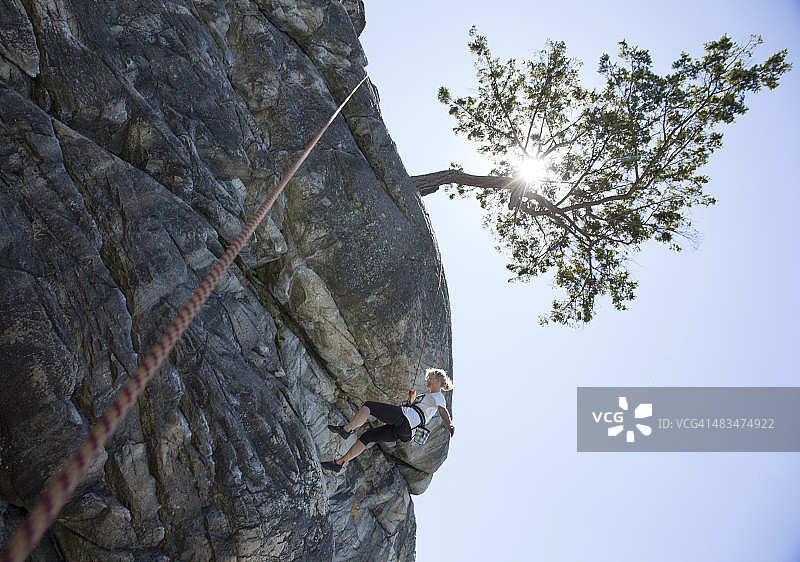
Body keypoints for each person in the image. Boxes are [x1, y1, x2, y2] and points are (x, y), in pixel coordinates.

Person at [321, 368, 455, 473]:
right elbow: (414, 406)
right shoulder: (426, 396)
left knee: (369, 406)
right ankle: (339, 463)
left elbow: (442, 410)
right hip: (407, 432)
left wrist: (449, 424)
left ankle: (347, 429)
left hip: (406, 419)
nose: (427, 381)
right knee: (367, 437)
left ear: (438, 380)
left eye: (429, 378)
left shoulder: (438, 396)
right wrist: (412, 396)